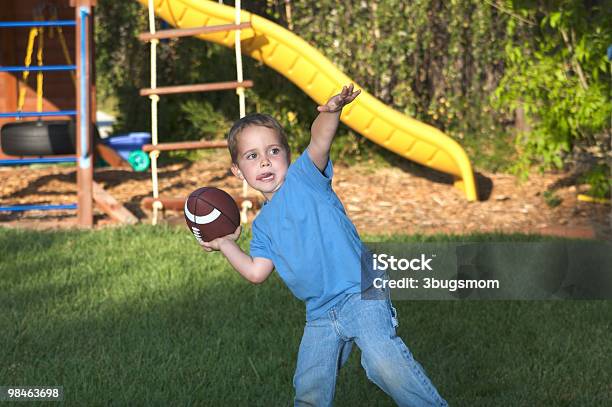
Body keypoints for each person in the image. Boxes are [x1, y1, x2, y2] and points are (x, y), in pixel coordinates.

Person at [201, 84, 448, 407]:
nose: (265, 162)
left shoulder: (305, 178)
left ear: (288, 156)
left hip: (361, 292)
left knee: (381, 361)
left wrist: (331, 113)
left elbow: (320, 140)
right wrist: (224, 244)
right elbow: (255, 272)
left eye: (273, 151)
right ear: (238, 170)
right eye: (252, 156)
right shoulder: (262, 227)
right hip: (320, 313)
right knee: (309, 387)